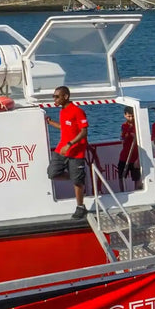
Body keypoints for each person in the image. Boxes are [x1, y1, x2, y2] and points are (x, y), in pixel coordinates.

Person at [45, 85, 90, 218]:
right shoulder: (62, 111)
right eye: (53, 96)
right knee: (52, 173)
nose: (54, 99)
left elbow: (84, 132)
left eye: (57, 96)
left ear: (66, 96)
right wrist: (50, 122)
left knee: (77, 182)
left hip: (76, 151)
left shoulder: (78, 111)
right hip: (61, 149)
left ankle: (80, 207)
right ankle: (76, 176)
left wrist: (70, 144)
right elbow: (65, 128)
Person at [118, 107, 141, 190]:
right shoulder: (124, 126)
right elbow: (122, 138)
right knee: (121, 177)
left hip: (135, 156)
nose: (131, 118)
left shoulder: (138, 126)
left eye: (132, 116)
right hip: (124, 156)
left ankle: (137, 192)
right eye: (129, 116)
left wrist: (138, 159)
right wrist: (125, 136)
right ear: (125, 115)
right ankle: (122, 192)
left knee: (137, 178)